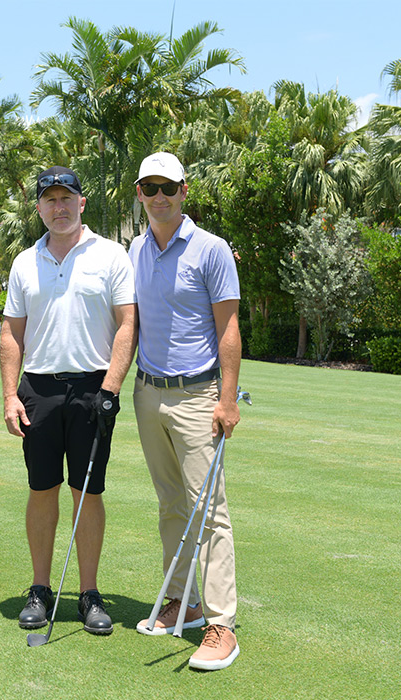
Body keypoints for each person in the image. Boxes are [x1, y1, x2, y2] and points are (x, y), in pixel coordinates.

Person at [0, 166, 136, 636]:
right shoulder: (24, 262)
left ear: (82, 203)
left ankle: (90, 592)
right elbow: (11, 334)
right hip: (38, 389)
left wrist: (111, 389)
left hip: (92, 388)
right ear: (39, 207)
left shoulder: (112, 256)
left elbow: (127, 323)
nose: (59, 207)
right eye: (49, 200)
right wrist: (8, 395)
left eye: (67, 198)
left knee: (87, 491)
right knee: (42, 489)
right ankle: (40, 588)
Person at [129, 152, 244, 671]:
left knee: (210, 512)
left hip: (199, 395)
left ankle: (222, 625)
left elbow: (229, 330)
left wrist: (227, 398)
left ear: (185, 190)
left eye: (168, 188)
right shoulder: (134, 249)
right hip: (147, 392)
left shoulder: (211, 249)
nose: (160, 197)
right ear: (139, 193)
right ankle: (183, 602)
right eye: (150, 188)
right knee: (171, 503)